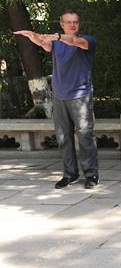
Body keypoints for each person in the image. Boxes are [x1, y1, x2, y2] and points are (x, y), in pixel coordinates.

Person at [14, 11, 100, 189]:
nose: (72, 25)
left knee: (85, 136)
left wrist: (59, 37)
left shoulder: (88, 40)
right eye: (68, 22)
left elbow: (75, 42)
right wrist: (33, 36)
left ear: (79, 24)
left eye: (75, 22)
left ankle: (91, 175)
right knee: (63, 138)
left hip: (80, 95)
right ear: (61, 24)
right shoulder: (56, 43)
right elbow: (44, 44)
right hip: (59, 95)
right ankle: (70, 174)